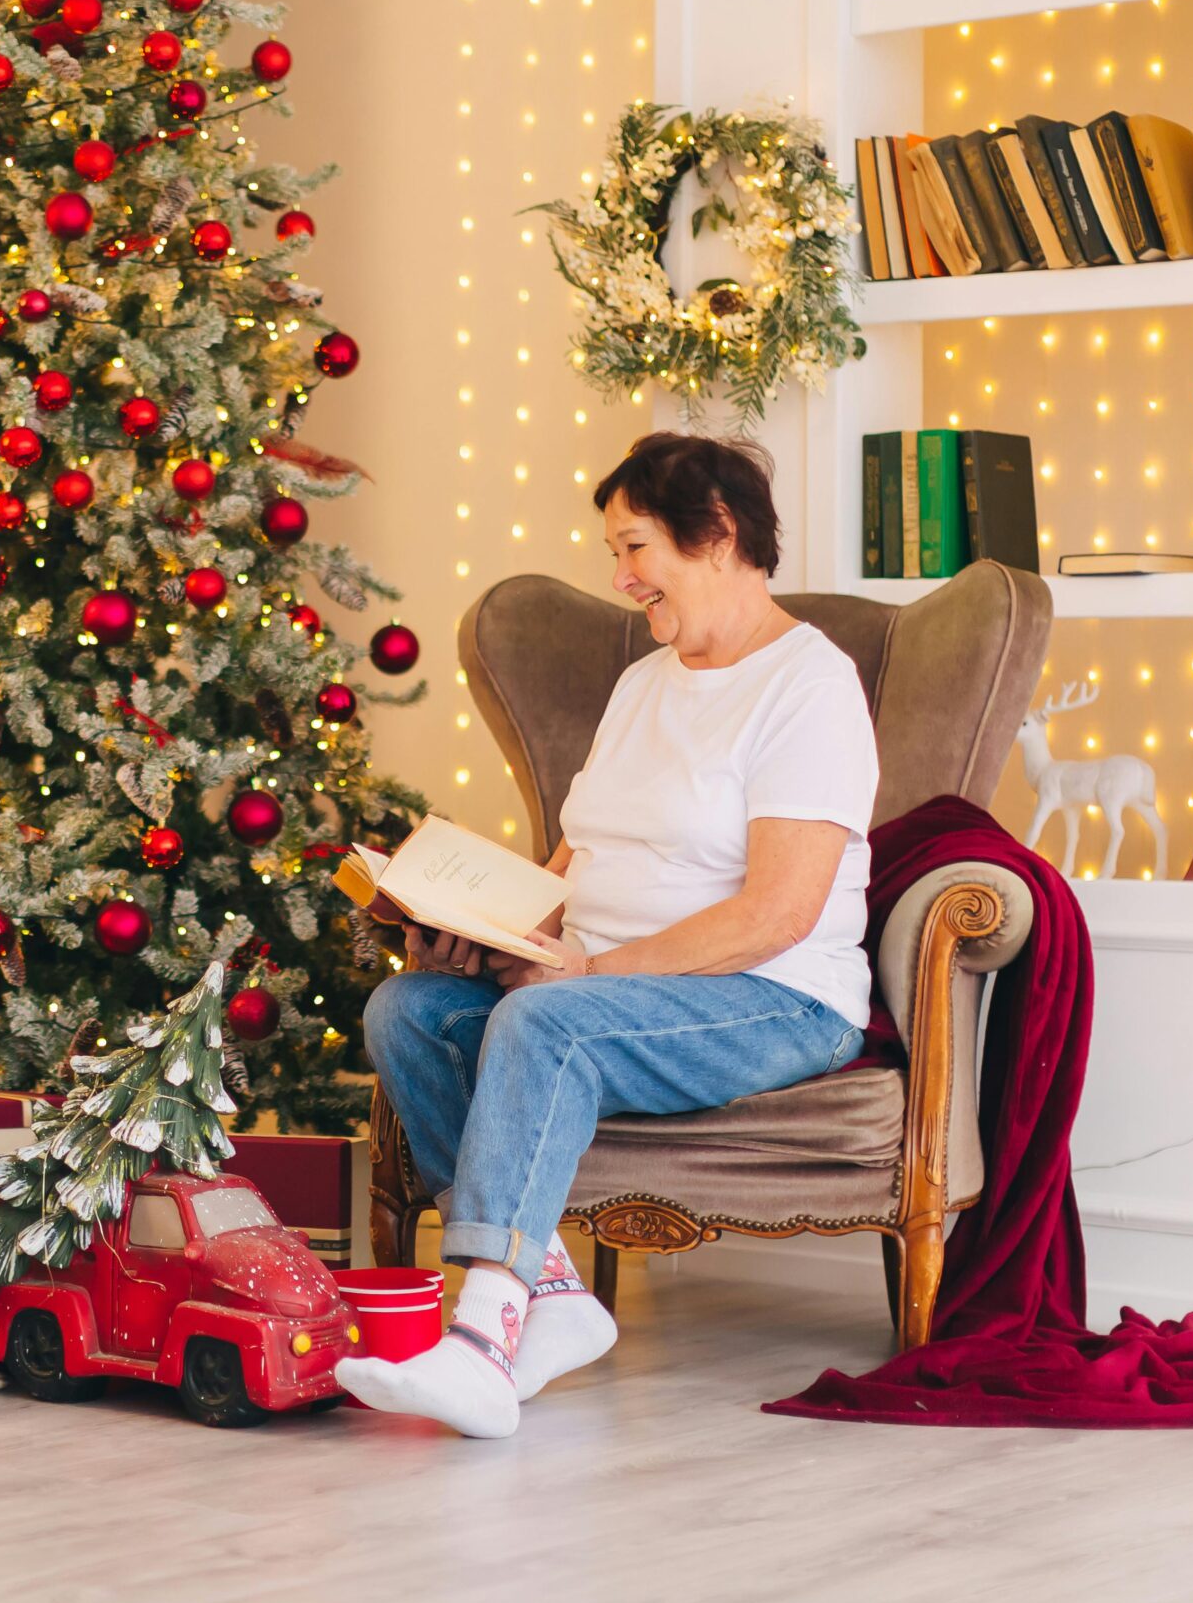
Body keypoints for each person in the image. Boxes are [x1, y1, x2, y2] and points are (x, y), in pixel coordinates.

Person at [335, 432, 877, 1439]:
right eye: (615, 554)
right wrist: (489, 927)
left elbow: (777, 913)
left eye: (635, 549)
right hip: (590, 982)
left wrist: (584, 975)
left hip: (773, 997)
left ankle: (480, 1342)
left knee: (548, 1028)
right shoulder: (645, 683)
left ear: (714, 535)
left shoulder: (809, 687)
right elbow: (576, 854)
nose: (621, 578)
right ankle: (553, 1299)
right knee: (408, 1010)